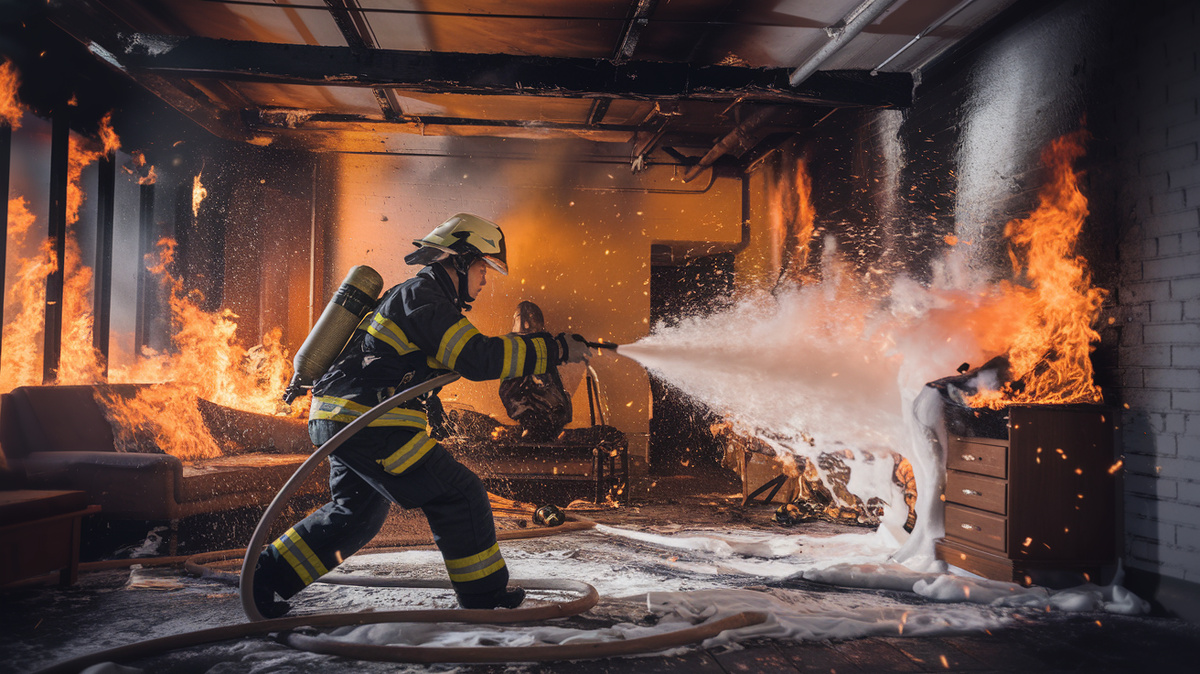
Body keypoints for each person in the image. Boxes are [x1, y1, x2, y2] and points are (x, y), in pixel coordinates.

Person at [252, 213, 592, 617]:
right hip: (369, 422)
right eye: (482, 267)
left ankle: (265, 578)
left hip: (342, 418)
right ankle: (484, 597)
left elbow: (406, 365)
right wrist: (554, 349)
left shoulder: (417, 298)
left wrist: (433, 409)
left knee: (356, 515)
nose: (485, 279)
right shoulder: (423, 298)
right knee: (460, 493)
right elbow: (477, 357)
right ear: (460, 259)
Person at [498, 301, 574, 441]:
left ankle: (541, 426)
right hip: (533, 412)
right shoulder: (518, 346)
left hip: (548, 416)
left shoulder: (540, 345)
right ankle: (535, 426)